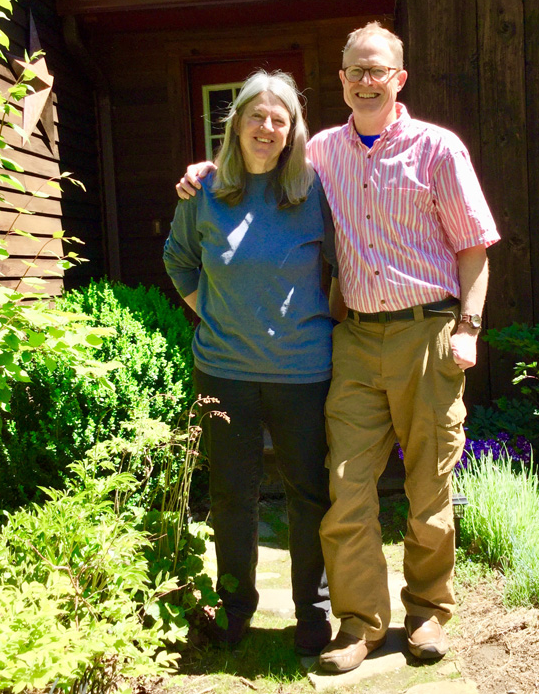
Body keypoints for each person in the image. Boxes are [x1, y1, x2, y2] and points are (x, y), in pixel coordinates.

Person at [176, 22, 500, 674]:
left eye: (376, 69)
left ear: (398, 78)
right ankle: (359, 624)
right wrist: (206, 171)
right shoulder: (322, 153)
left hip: (428, 330)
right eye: (354, 70)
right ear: (344, 78)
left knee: (427, 489)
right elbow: (258, 170)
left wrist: (467, 329)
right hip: (352, 341)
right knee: (345, 488)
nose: (364, 79)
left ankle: (429, 613)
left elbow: (474, 249)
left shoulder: (439, 149)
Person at [163, 70, 338, 656]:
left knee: (308, 494)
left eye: (279, 119)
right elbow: (179, 260)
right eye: (256, 115)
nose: (267, 127)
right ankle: (235, 606)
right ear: (235, 123)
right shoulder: (205, 193)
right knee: (232, 497)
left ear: (292, 132)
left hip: (302, 373)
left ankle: (313, 614)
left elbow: (343, 268)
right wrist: (214, 313)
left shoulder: (314, 190)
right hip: (225, 372)